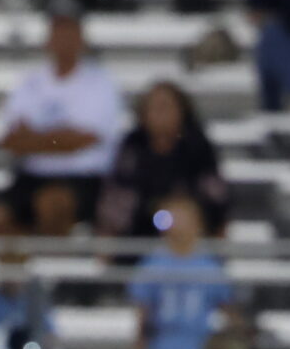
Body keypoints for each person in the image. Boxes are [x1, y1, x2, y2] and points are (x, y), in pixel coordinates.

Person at [0, 5, 123, 238]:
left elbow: (86, 139)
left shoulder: (100, 82)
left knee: (53, 204)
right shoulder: (28, 81)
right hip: (31, 177)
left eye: (69, 32)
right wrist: (61, 138)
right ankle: (19, 261)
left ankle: (51, 259)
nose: (63, 40)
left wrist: (36, 139)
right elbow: (11, 141)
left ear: (81, 39)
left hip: (84, 180)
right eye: (58, 32)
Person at [96, 80, 228, 241]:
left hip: (190, 231)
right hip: (139, 230)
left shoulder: (197, 146)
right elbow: (117, 195)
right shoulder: (132, 146)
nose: (160, 114)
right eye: (154, 108)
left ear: (182, 111)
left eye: (165, 107)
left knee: (180, 216)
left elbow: (215, 197)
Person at [128, 194, 236, 349]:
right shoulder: (153, 264)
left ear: (197, 222)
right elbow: (143, 314)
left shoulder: (210, 267)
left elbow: (228, 308)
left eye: (184, 217)